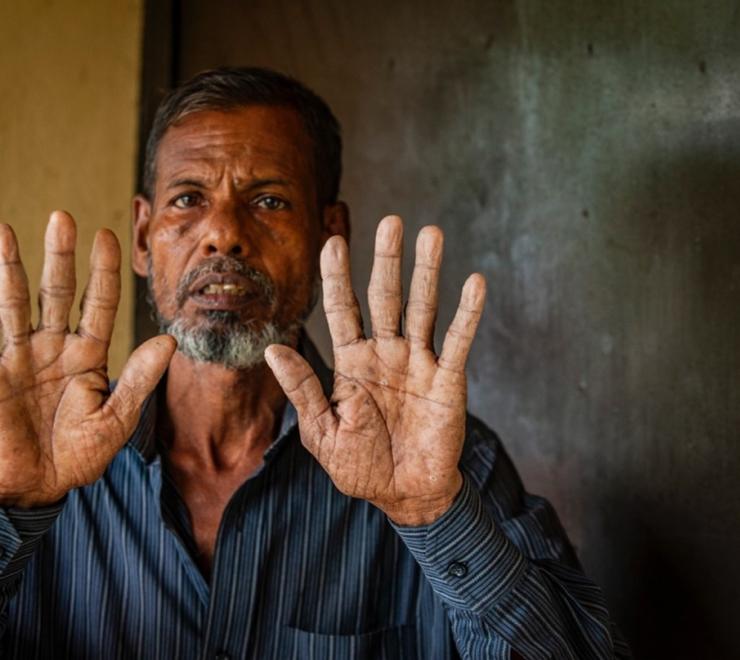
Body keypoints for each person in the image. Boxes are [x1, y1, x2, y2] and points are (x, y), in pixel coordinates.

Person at [0, 67, 630, 659]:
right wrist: (15, 509)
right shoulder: (44, 459)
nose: (224, 233)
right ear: (142, 237)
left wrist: (431, 517)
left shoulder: (440, 466)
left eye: (269, 201)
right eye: (188, 198)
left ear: (332, 233)